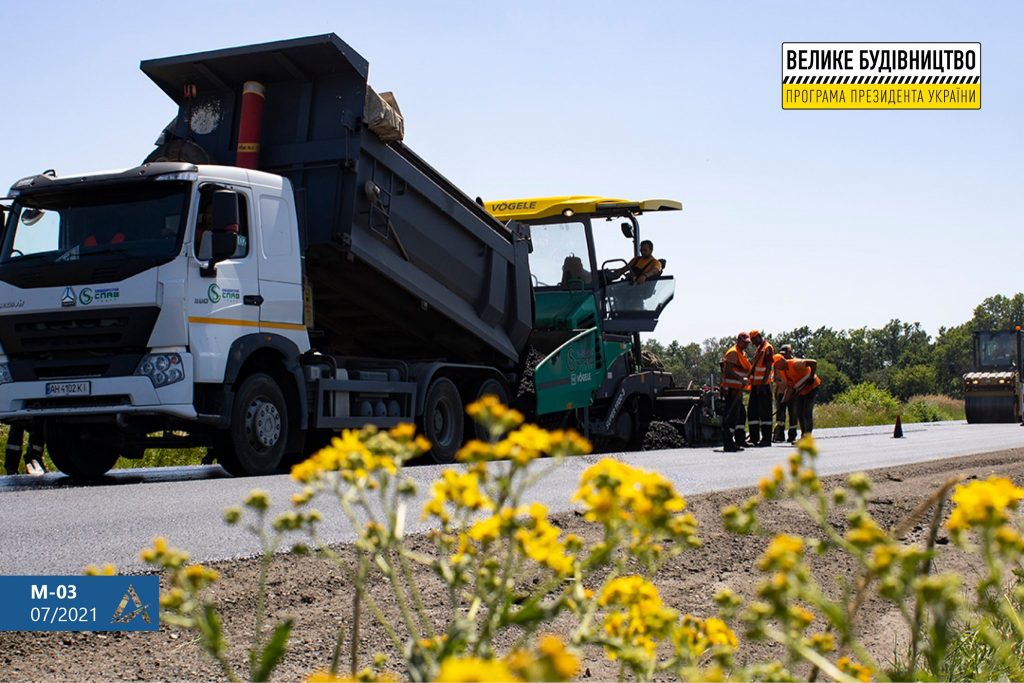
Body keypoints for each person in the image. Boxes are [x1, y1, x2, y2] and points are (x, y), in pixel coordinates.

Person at [777, 353, 821, 440]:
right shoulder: (784, 372)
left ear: (782, 360)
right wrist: (783, 402)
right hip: (802, 390)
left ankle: (807, 437)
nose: (777, 367)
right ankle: (803, 436)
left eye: (777, 364)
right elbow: (790, 387)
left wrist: (811, 377)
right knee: (799, 412)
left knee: (806, 412)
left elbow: (813, 363)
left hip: (812, 387)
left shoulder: (795, 363)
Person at [720, 332, 752, 452]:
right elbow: (728, 370)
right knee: (731, 416)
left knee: (741, 415)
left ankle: (739, 440)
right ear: (739, 340)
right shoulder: (733, 352)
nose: (746, 344)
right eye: (745, 342)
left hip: (738, 389)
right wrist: (740, 379)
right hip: (732, 388)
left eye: (748, 343)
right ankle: (728, 443)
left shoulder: (741, 353)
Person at [746, 330, 775, 447]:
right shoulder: (759, 349)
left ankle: (766, 439)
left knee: (765, 413)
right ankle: (754, 437)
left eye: (753, 340)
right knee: (752, 412)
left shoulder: (767, 348)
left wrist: (763, 384)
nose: (752, 343)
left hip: (764, 386)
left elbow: (768, 367)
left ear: (758, 337)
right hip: (755, 385)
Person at [772, 345, 798, 443]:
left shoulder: (795, 363)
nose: (783, 356)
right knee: (780, 417)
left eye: (785, 354)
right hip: (781, 393)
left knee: (793, 414)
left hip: (793, 393)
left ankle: (792, 436)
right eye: (782, 354)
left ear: (790, 353)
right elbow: (775, 378)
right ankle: (779, 435)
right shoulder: (779, 364)